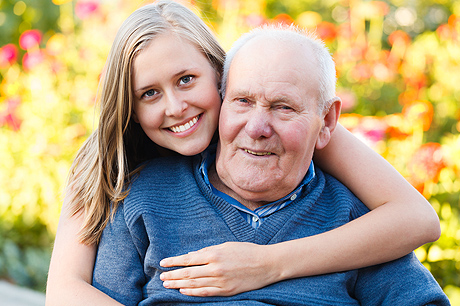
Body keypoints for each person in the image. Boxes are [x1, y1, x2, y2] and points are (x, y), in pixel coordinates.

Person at [45, 1, 441, 305]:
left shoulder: (341, 200)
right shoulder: (126, 183)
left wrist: (267, 264)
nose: (175, 107)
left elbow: (417, 218)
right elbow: (65, 289)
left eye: (186, 80)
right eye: (148, 93)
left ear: (218, 79)